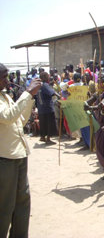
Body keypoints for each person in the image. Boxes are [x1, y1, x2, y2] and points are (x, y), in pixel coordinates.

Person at [0, 63, 41, 238]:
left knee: (22, 201)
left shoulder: (5, 97)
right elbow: (8, 117)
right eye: (3, 76)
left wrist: (30, 99)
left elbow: (19, 121)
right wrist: (27, 93)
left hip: (19, 154)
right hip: (5, 158)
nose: (7, 80)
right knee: (5, 205)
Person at [36, 72, 59, 144]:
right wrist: (60, 96)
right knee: (50, 124)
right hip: (48, 108)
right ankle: (48, 139)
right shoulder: (45, 85)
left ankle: (43, 137)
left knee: (43, 123)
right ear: (45, 77)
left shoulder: (38, 85)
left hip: (41, 108)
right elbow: (52, 92)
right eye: (47, 76)